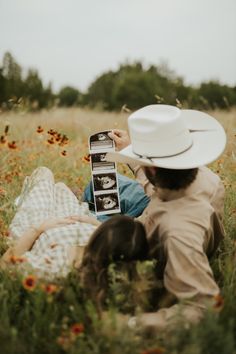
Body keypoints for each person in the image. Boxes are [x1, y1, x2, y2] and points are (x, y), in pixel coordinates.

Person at [104, 104, 226, 331]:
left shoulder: (178, 233)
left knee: (56, 190)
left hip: (129, 243)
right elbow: (157, 188)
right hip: (148, 214)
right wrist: (133, 152)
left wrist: (131, 323)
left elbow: (202, 307)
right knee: (93, 188)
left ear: (152, 170)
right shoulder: (207, 180)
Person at [1, 167, 148, 282]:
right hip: (75, 218)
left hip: (41, 226)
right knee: (61, 187)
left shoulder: (57, 266)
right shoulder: (114, 249)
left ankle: (21, 202)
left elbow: (6, 264)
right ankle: (31, 198)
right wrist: (95, 223)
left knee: (44, 173)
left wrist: (37, 229)